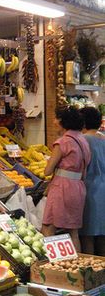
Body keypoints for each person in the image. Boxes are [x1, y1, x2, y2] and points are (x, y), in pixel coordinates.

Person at [41, 107, 91, 252]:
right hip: (78, 187)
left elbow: (47, 171)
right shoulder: (83, 140)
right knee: (73, 230)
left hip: (62, 188)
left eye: (56, 118)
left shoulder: (63, 142)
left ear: (62, 121)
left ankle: (54, 265)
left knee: (48, 226)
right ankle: (77, 266)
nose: (54, 121)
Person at [80, 107, 105, 254]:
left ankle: (90, 272)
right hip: (103, 187)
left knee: (88, 233)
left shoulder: (83, 140)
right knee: (102, 234)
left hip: (90, 189)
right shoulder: (103, 138)